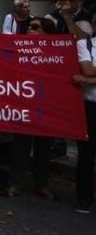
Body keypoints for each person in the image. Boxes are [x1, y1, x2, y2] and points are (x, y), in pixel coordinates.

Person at [5, 16, 56, 200]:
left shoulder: (56, 53)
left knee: (44, 147)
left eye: (35, 27)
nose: (29, 30)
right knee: (21, 146)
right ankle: (15, 182)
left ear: (46, 33)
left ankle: (41, 183)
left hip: (46, 105)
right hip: (24, 105)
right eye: (29, 27)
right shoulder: (18, 48)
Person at [72, 15, 96, 213]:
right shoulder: (85, 44)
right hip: (90, 107)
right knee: (87, 154)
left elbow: (88, 76)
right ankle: (84, 199)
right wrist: (88, 78)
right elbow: (87, 70)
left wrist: (90, 80)